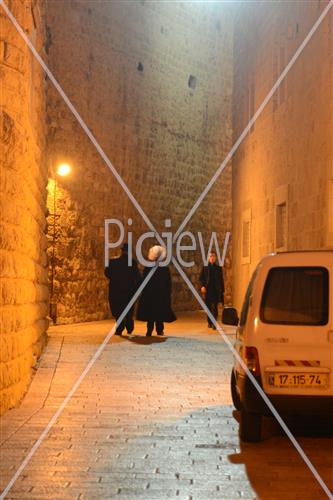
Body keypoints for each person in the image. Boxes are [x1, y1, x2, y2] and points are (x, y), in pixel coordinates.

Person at [137, 245, 176, 336]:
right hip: (160, 294)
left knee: (150, 313)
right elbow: (168, 283)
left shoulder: (148, 267)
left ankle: (149, 330)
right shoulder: (164, 268)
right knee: (159, 313)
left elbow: (144, 281)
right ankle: (159, 330)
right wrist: (168, 293)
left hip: (150, 294)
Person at [104, 243, 141, 335]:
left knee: (117, 308)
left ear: (121, 250)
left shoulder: (113, 262)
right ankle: (129, 324)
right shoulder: (132, 263)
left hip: (116, 289)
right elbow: (137, 277)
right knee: (128, 308)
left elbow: (107, 273)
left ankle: (120, 326)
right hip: (129, 290)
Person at [199, 250, 225, 329]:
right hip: (208, 290)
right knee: (209, 307)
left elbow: (221, 279)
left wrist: (222, 290)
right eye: (210, 256)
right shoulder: (205, 267)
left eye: (213, 256)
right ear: (208, 258)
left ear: (215, 258)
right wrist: (203, 286)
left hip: (216, 290)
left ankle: (214, 324)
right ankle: (209, 322)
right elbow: (201, 278)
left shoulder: (218, 268)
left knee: (215, 307)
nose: (212, 258)